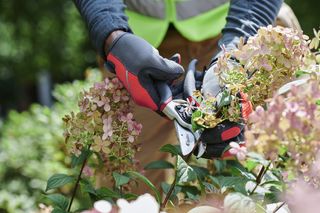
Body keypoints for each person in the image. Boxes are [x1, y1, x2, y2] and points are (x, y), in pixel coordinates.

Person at [73, 0, 300, 192]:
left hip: (247, 26)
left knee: (274, 179)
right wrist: (112, 35)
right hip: (136, 44)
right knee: (127, 190)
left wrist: (235, 54)